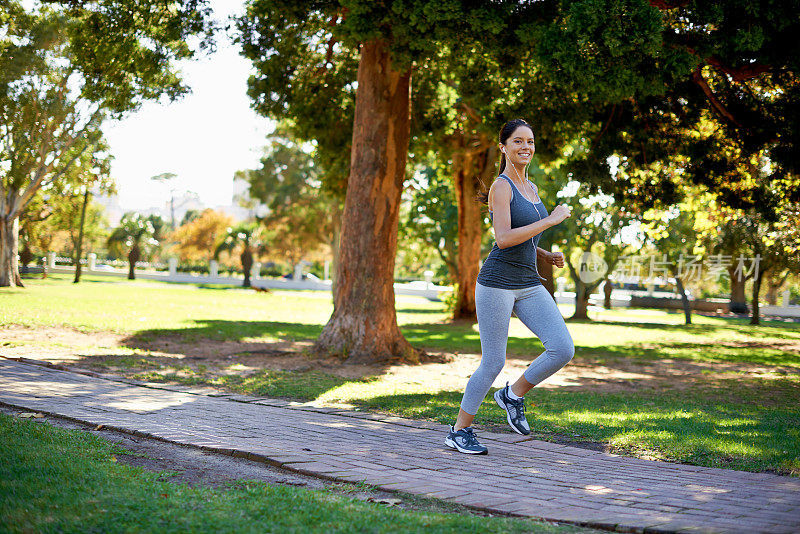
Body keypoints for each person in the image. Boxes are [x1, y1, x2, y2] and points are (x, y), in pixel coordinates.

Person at [445, 118, 575, 455]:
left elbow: (524, 236)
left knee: (562, 348)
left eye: (530, 141)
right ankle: (459, 431)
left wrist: (545, 253)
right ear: (503, 147)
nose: (526, 147)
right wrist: (551, 221)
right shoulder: (501, 187)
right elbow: (503, 239)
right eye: (518, 141)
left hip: (529, 282)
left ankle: (512, 394)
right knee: (493, 361)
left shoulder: (531, 188)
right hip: (497, 284)